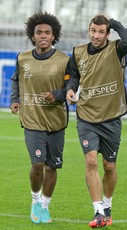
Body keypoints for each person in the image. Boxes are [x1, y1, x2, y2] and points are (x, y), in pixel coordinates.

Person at [66, 15, 127, 228]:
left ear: (107, 33)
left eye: (101, 32)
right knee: (91, 161)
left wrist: (114, 23)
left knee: (109, 166)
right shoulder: (78, 52)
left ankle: (107, 205)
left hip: (111, 118)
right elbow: (73, 76)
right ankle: (97, 211)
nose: (96, 35)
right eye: (93, 31)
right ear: (89, 30)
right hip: (86, 116)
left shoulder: (116, 49)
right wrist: (70, 89)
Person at [9, 11, 70, 224]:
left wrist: (58, 95)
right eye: (39, 32)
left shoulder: (64, 60)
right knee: (37, 163)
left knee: (52, 167)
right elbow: (15, 80)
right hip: (32, 119)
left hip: (56, 121)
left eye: (47, 32)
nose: (43, 36)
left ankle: (45, 205)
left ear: (54, 36)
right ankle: (35, 200)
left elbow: (72, 88)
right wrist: (15, 100)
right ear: (32, 36)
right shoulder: (22, 58)